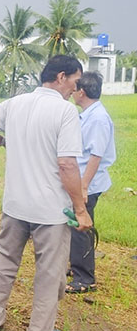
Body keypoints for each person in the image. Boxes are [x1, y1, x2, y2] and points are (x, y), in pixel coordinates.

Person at [0, 55, 93, 331]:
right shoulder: (65, 112)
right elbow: (67, 165)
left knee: (5, 261)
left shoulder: (16, 103)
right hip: (49, 211)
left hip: (14, 204)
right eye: (75, 81)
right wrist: (80, 209)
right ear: (62, 77)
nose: (76, 89)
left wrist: (2, 141)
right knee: (49, 274)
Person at [66, 71, 116, 294]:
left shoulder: (97, 118)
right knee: (75, 227)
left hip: (89, 183)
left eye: (75, 90)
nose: (73, 94)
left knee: (81, 228)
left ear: (82, 92)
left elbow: (96, 156)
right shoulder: (89, 114)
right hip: (82, 181)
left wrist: (83, 186)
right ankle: (76, 267)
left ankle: (85, 278)